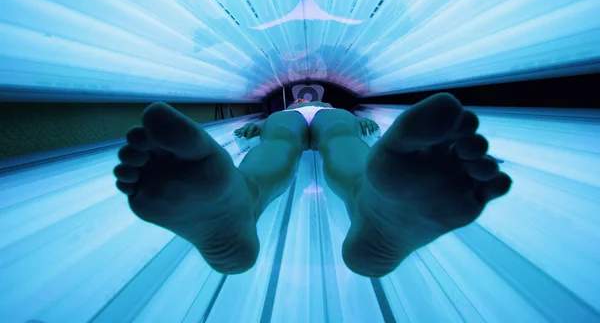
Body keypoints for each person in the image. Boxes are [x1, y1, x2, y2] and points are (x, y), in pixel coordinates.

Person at [113, 93, 511, 277]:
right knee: (298, 137)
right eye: (304, 93)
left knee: (332, 134)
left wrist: (363, 123)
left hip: (324, 119)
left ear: (318, 93)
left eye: (312, 93)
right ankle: (359, 198)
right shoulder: (286, 111)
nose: (307, 94)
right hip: (292, 122)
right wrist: (255, 123)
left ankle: (248, 199)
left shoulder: (328, 108)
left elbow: (349, 125)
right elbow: (269, 128)